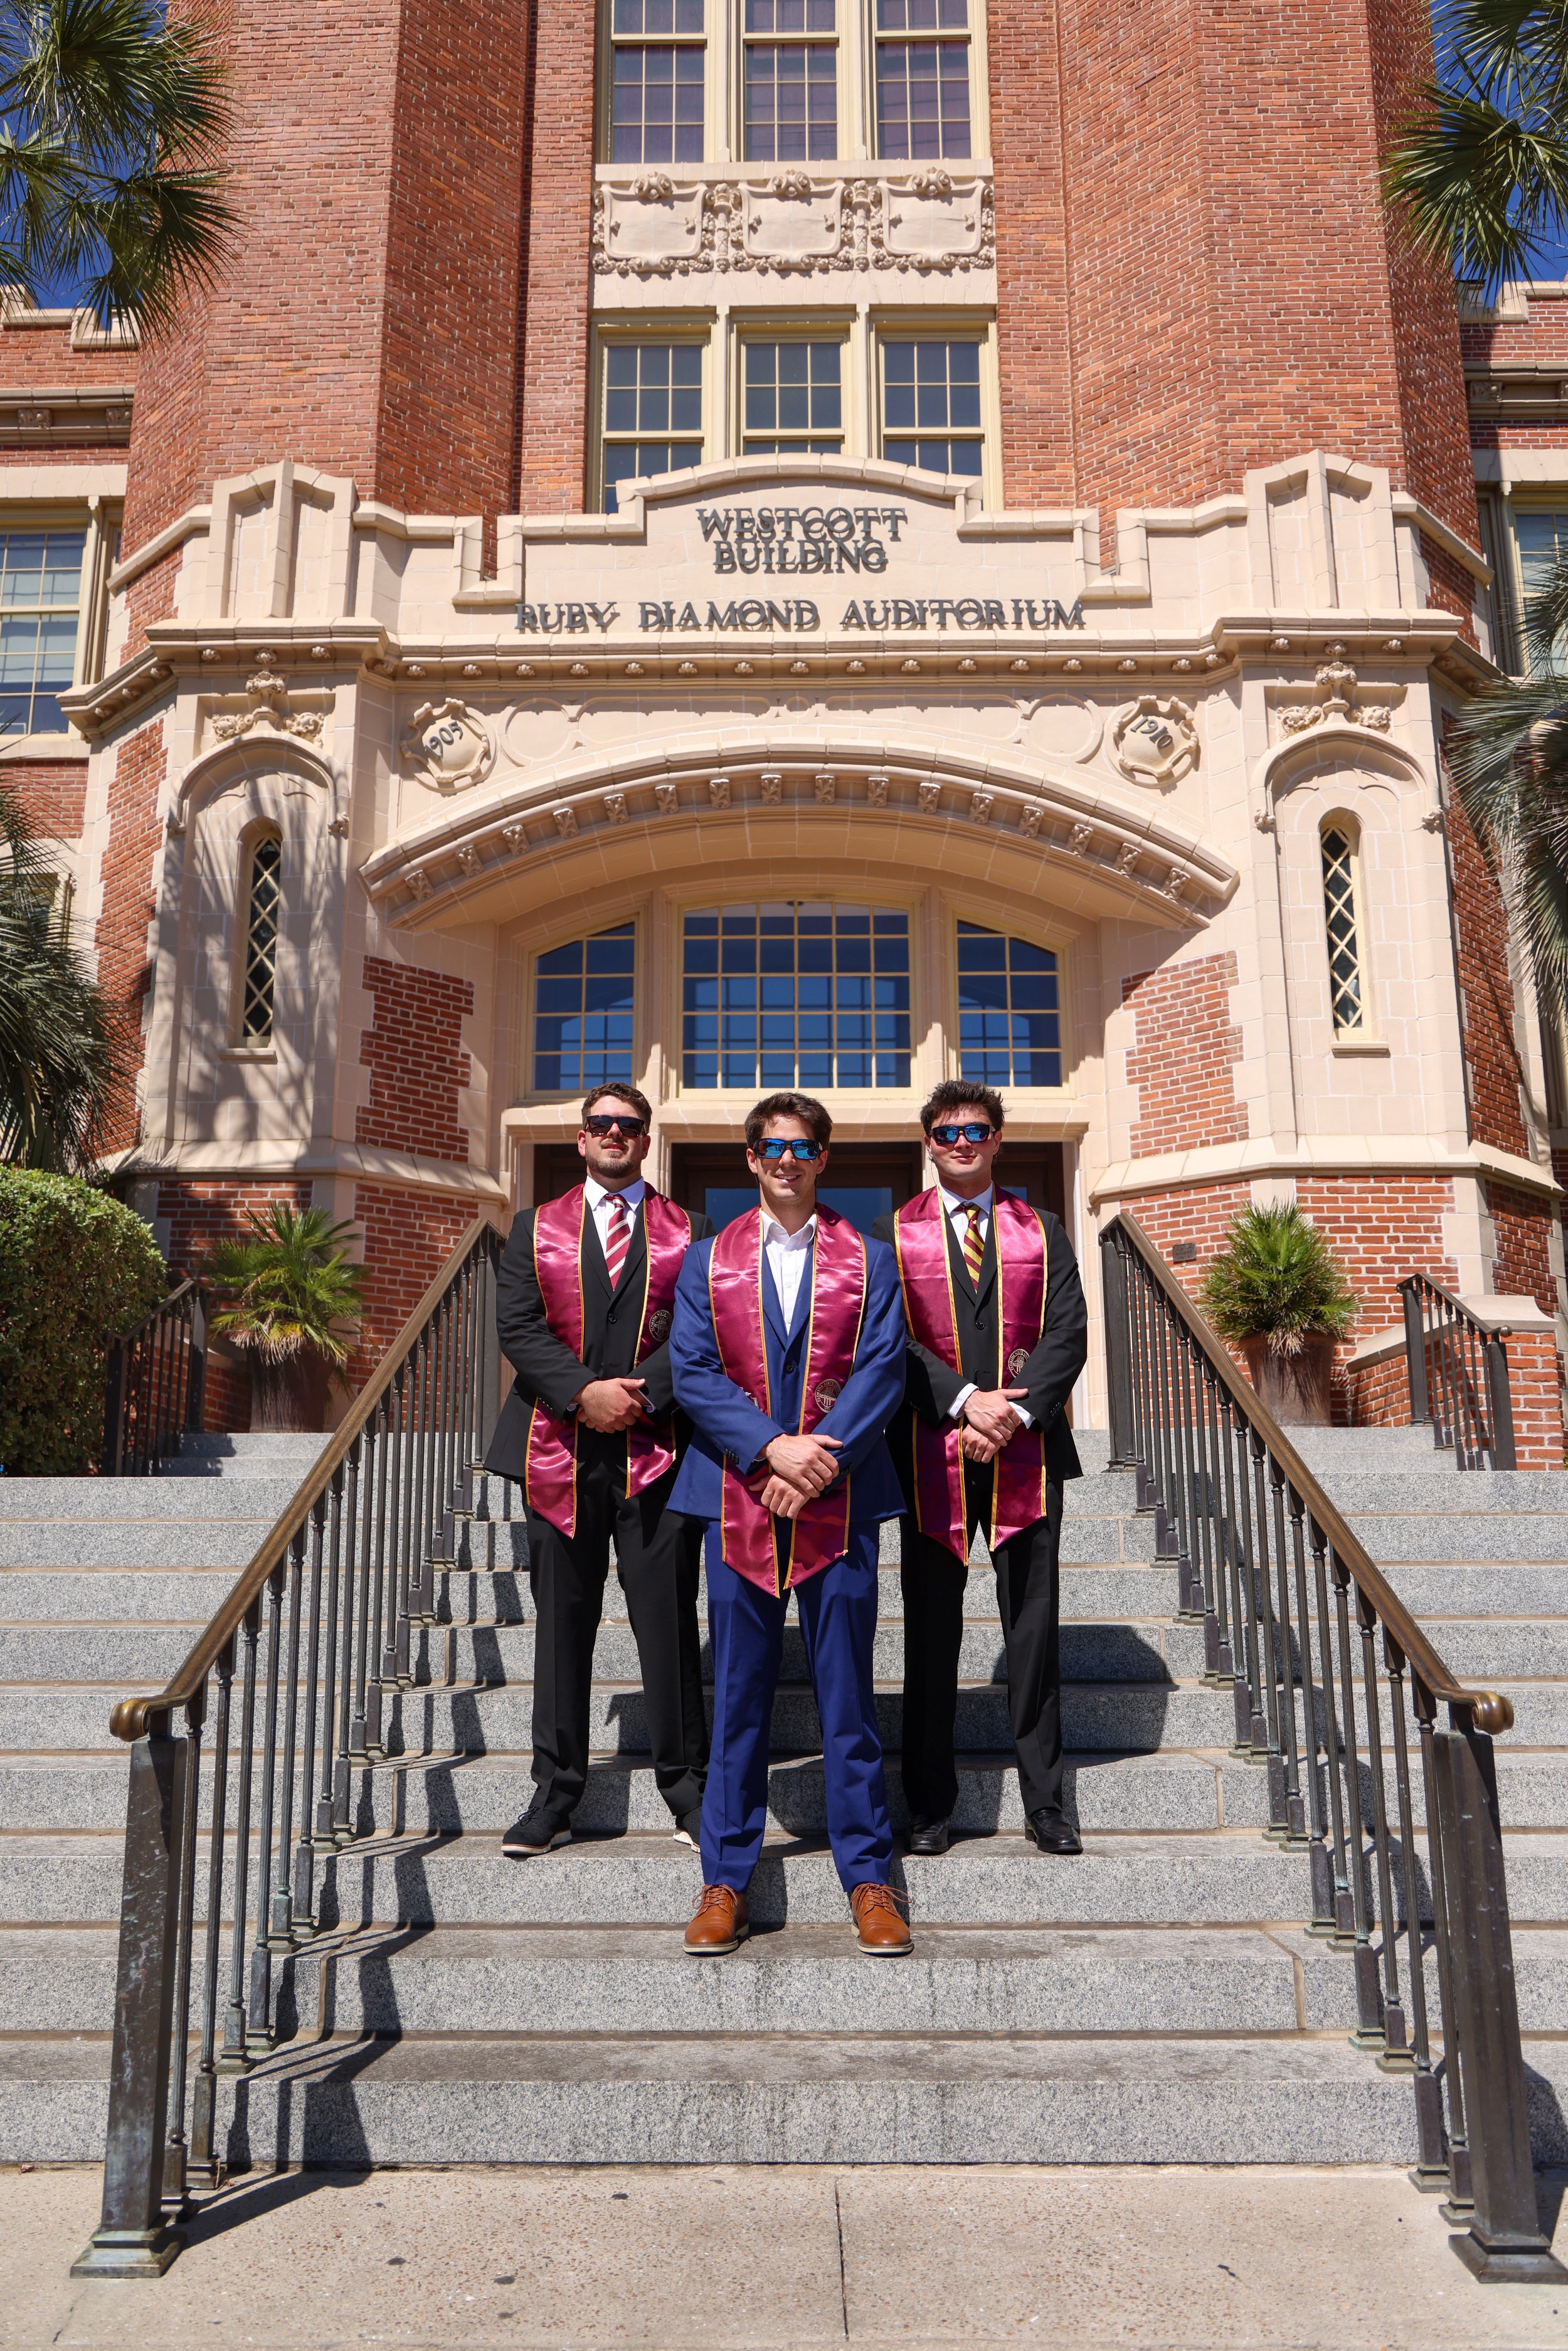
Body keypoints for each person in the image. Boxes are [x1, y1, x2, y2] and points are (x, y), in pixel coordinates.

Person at [667, 1092, 912, 1958]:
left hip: (840, 1500)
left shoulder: (870, 1259)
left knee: (848, 1699)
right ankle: (726, 1879)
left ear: (822, 1159)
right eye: (772, 1147)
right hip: (738, 1495)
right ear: (750, 1159)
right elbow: (692, 1372)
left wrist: (818, 1462)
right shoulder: (706, 1261)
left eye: (803, 1147)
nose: (786, 1160)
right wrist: (773, 1449)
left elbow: (882, 1369)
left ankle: (869, 1877)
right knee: (738, 1697)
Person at [485, 1082, 711, 1854]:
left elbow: (701, 1330)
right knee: (562, 1627)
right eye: (601, 1123)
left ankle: (688, 1790)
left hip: (658, 1451)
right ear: (581, 1139)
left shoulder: (692, 1230)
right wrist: (584, 1392)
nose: (615, 1133)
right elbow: (518, 1327)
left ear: (646, 1141)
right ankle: (555, 1796)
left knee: (668, 1623)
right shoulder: (533, 1227)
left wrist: (635, 1396)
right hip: (556, 1448)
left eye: (629, 1125)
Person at [874, 1081, 1088, 1859]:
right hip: (929, 1452)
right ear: (928, 1142)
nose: (960, 1142)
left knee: (1033, 1633)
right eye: (946, 1131)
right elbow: (887, 1338)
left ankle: (1046, 1803)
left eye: (975, 1130)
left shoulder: (1043, 1228)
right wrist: (967, 1402)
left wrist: (1013, 1416)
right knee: (931, 1634)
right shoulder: (891, 1233)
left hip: (1025, 1450)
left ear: (997, 1138)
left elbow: (1068, 1331)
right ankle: (929, 1804)